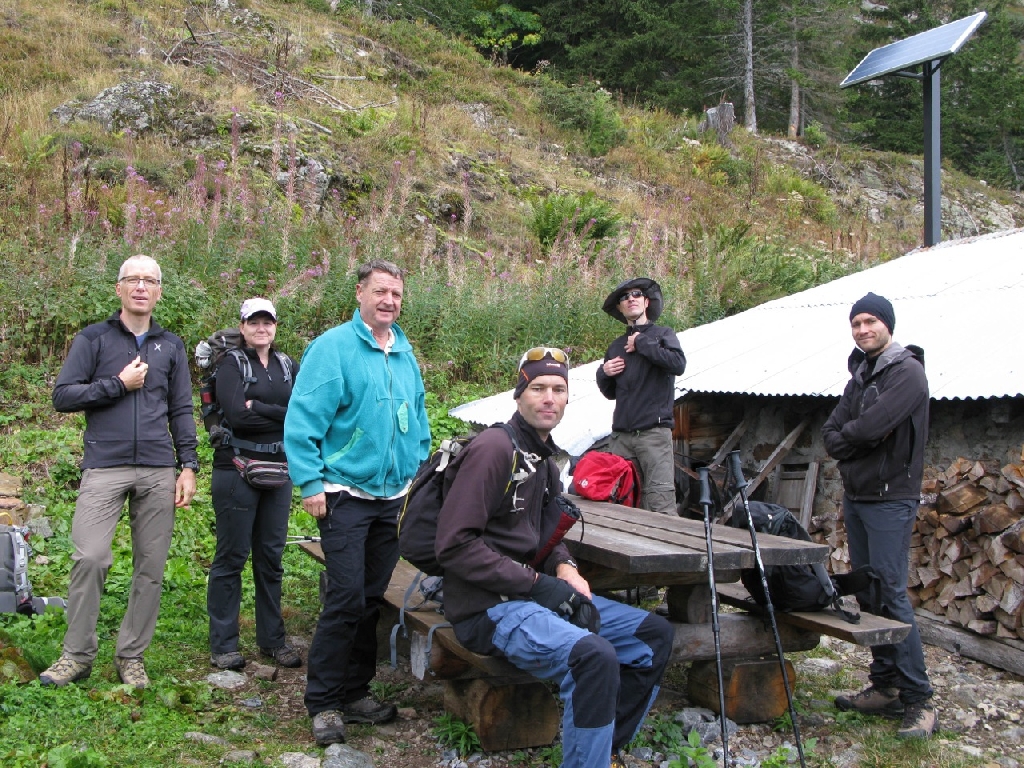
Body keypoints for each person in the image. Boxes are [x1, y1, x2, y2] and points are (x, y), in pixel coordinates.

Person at [436, 347, 674, 768]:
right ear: (519, 395)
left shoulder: (545, 461)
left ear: (567, 399)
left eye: (558, 389)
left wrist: (565, 567)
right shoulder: (494, 449)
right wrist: (539, 586)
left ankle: (604, 751)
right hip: (488, 608)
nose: (549, 397)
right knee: (593, 657)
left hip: (532, 598)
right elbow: (454, 545)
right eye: (538, 388)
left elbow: (548, 535)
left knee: (652, 636)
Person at [284, 260, 431, 746]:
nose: (389, 301)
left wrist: (417, 466)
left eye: (397, 293)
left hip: (392, 497)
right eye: (380, 291)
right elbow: (302, 420)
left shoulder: (404, 352)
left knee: (371, 598)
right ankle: (323, 702)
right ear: (360, 293)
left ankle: (355, 691)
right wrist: (310, 483)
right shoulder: (333, 348)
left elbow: (419, 417)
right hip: (344, 493)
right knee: (345, 598)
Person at [42, 254, 199, 689]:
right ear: (119, 288)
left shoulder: (171, 346)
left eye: (150, 280)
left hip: (156, 469)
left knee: (150, 567)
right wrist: (117, 384)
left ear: (160, 291)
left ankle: (131, 656)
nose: (142, 287)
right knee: (89, 557)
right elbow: (62, 396)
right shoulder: (92, 340)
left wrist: (188, 465)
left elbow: (181, 409)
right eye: (133, 280)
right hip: (104, 467)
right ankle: (76, 654)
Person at [822, 292, 936, 739]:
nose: (863, 329)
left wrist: (853, 438)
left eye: (871, 321)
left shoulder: (906, 372)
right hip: (859, 494)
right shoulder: (863, 373)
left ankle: (919, 700)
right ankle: (885, 686)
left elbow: (868, 429)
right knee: (869, 591)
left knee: (890, 592)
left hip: (891, 497)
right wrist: (854, 439)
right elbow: (832, 432)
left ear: (887, 324)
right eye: (856, 323)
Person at [207, 298, 301, 671]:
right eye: (254, 322)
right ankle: (224, 643)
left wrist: (258, 408)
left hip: (279, 470)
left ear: (275, 325)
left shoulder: (287, 364)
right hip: (237, 468)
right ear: (242, 327)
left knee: (271, 558)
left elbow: (301, 414)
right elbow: (235, 416)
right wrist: (277, 415)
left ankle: (272, 640)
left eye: (268, 321)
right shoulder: (232, 363)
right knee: (231, 557)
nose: (262, 328)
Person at [597, 278, 686, 515]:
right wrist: (603, 373)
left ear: (646, 302)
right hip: (621, 438)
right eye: (624, 297)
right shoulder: (616, 346)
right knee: (621, 501)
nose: (631, 299)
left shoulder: (663, 335)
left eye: (636, 294)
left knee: (660, 503)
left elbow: (678, 364)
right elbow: (609, 393)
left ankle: (666, 551)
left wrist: (643, 343)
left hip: (654, 435)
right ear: (620, 308)